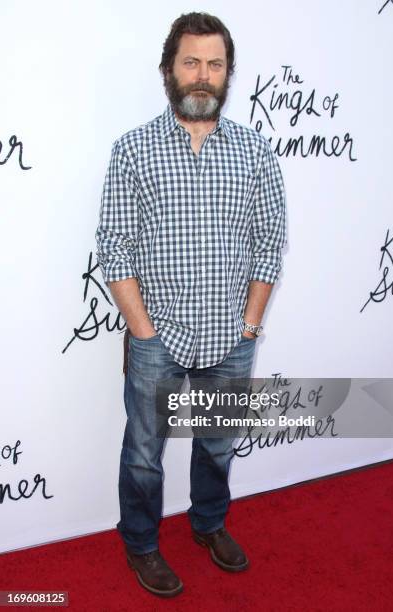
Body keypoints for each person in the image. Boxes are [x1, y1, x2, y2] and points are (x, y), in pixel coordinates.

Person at [95, 11, 287, 598]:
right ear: (168, 69)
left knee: (218, 447)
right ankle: (142, 545)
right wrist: (143, 334)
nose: (203, 75)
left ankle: (207, 525)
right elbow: (113, 245)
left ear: (228, 74)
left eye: (215, 64)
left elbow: (269, 241)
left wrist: (250, 325)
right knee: (144, 455)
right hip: (158, 339)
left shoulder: (255, 152)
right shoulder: (132, 150)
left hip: (230, 337)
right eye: (191, 62)